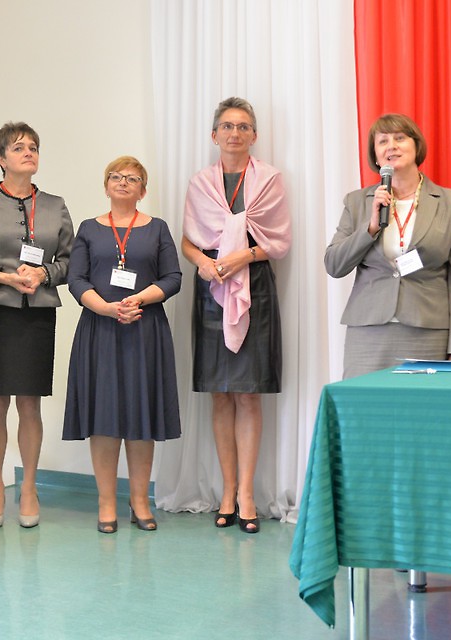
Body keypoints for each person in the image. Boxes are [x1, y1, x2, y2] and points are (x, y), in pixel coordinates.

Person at [182, 97, 291, 534]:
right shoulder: (200, 183)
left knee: (248, 393)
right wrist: (205, 264)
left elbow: (279, 240)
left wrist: (242, 256)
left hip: (254, 285)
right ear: (214, 135)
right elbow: (189, 241)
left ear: (254, 136)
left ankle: (247, 493)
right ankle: (226, 490)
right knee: (219, 393)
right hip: (212, 285)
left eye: (243, 126)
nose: (234, 133)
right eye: (227, 126)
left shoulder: (269, 180)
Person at [63, 157, 182, 534]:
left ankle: (140, 500)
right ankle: (106, 502)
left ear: (143, 190)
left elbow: (173, 277)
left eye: (132, 178)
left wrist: (139, 299)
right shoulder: (88, 229)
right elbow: (76, 279)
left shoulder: (158, 229)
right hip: (100, 330)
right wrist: (106, 308)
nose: (123, 182)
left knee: (141, 417)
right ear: (106, 185)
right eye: (116, 176)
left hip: (145, 330)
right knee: (104, 418)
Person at [0, 122, 74, 529]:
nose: (28, 152)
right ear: (1, 158)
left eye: (33, 147)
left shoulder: (56, 206)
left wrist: (44, 274)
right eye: (18, 147)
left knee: (30, 402)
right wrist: (2, 277)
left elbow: (70, 261)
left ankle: (28, 487)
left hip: (36, 313)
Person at [325, 113, 451, 379]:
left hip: (427, 331)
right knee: (364, 403)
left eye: (399, 138)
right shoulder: (357, 202)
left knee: (422, 405)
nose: (391, 146)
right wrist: (370, 228)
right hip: (368, 332)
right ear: (375, 155)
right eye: (382, 141)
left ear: (416, 146)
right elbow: (334, 265)